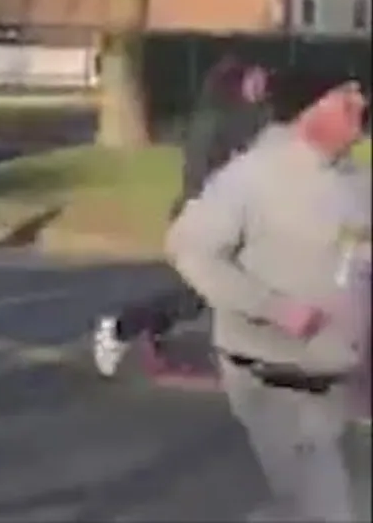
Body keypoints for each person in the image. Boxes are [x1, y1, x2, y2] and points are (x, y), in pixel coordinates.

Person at [166, 71, 369, 523]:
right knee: (327, 507)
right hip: (269, 374)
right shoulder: (251, 177)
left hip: (331, 375)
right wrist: (274, 308)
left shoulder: (356, 180)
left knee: (306, 502)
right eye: (346, 96)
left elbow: (357, 260)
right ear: (310, 110)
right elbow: (189, 249)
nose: (360, 104)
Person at [94, 58, 271, 377]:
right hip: (203, 217)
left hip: (236, 219)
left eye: (262, 80)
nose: (262, 85)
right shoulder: (212, 122)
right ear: (235, 83)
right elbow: (198, 176)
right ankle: (122, 327)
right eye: (254, 80)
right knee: (197, 296)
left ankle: (249, 355)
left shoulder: (252, 120)